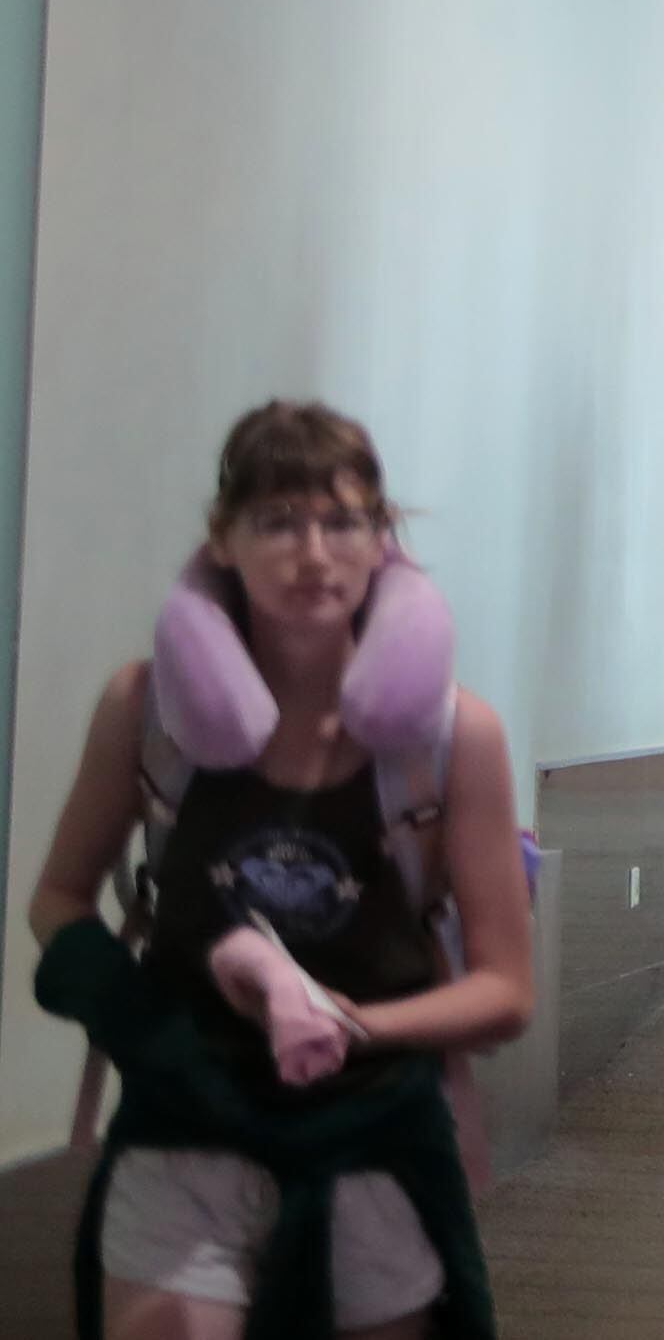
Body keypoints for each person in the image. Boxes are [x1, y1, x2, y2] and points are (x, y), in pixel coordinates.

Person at [31, 400, 537, 1340]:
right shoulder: (147, 713)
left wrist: (343, 1026)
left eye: (342, 521)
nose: (313, 553)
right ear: (222, 540)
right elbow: (57, 898)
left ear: (383, 540)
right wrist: (139, 1022)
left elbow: (507, 991)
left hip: (371, 1137)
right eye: (278, 522)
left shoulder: (451, 739)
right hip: (184, 1128)